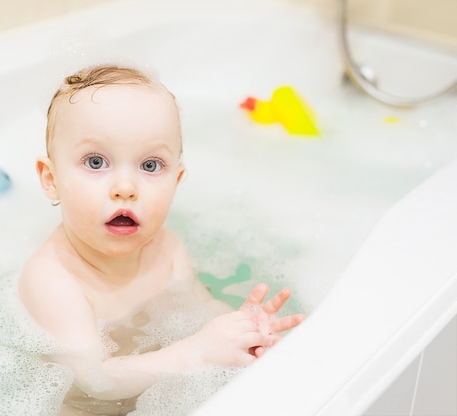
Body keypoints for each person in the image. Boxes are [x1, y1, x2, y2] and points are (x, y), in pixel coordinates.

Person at [19, 65, 305, 415]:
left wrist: (242, 330)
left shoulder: (168, 249)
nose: (126, 188)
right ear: (51, 178)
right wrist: (196, 352)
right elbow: (96, 381)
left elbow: (198, 309)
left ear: (177, 179)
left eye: (151, 166)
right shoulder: (52, 279)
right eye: (96, 161)